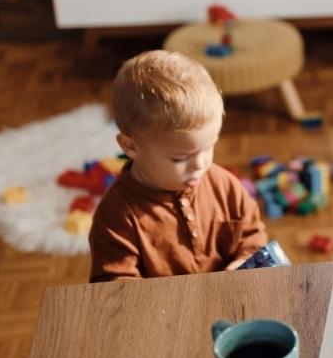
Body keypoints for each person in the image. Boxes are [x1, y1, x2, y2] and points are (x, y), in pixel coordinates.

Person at [89, 50, 267, 282]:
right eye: (180, 158)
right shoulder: (116, 217)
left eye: (208, 148)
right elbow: (114, 288)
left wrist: (243, 263)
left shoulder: (225, 185)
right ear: (130, 146)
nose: (200, 165)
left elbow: (252, 237)